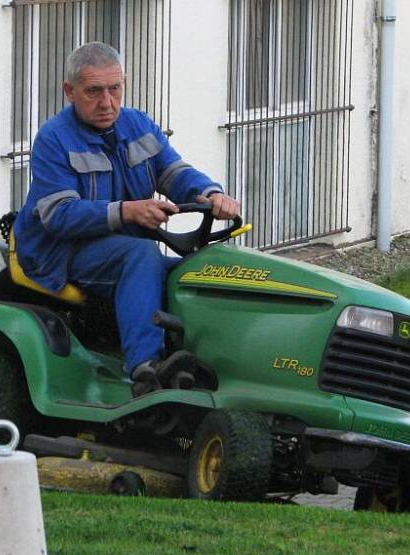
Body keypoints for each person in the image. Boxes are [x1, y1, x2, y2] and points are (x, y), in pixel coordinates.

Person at [14, 42, 240, 395]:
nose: (107, 102)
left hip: (120, 245)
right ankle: (146, 369)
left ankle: (211, 361)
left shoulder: (138, 125)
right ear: (69, 91)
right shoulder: (52, 140)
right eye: (94, 92)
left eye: (114, 89)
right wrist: (127, 211)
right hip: (58, 252)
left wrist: (211, 194)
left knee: (196, 272)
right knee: (141, 257)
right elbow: (58, 216)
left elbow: (174, 172)